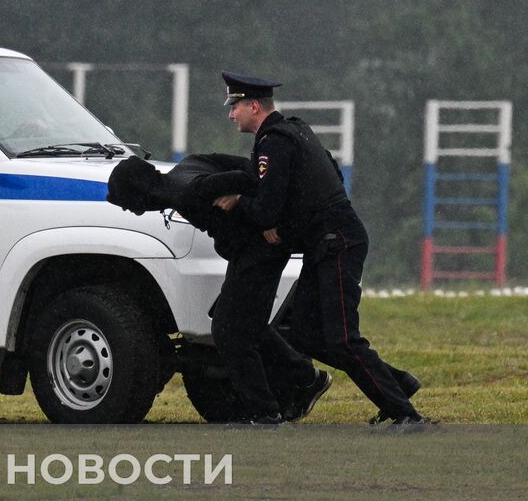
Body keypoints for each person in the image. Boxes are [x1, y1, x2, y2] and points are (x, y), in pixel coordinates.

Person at [213, 72, 426, 425]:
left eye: (234, 106)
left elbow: (266, 207)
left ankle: (405, 415)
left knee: (342, 339)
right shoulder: (296, 131)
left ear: (253, 106)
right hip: (328, 241)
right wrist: (284, 224)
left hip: (337, 243)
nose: (231, 114)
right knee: (307, 335)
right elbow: (328, 175)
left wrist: (236, 202)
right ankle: (398, 384)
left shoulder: (274, 143)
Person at [108, 153, 329, 424]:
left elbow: (254, 176)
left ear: (140, 194)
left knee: (229, 332)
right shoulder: (188, 167)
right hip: (251, 251)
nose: (129, 211)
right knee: (248, 324)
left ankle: (265, 412)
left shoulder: (188, 192)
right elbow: (252, 167)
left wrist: (256, 207)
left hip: (260, 251)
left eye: (127, 203)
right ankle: (307, 379)